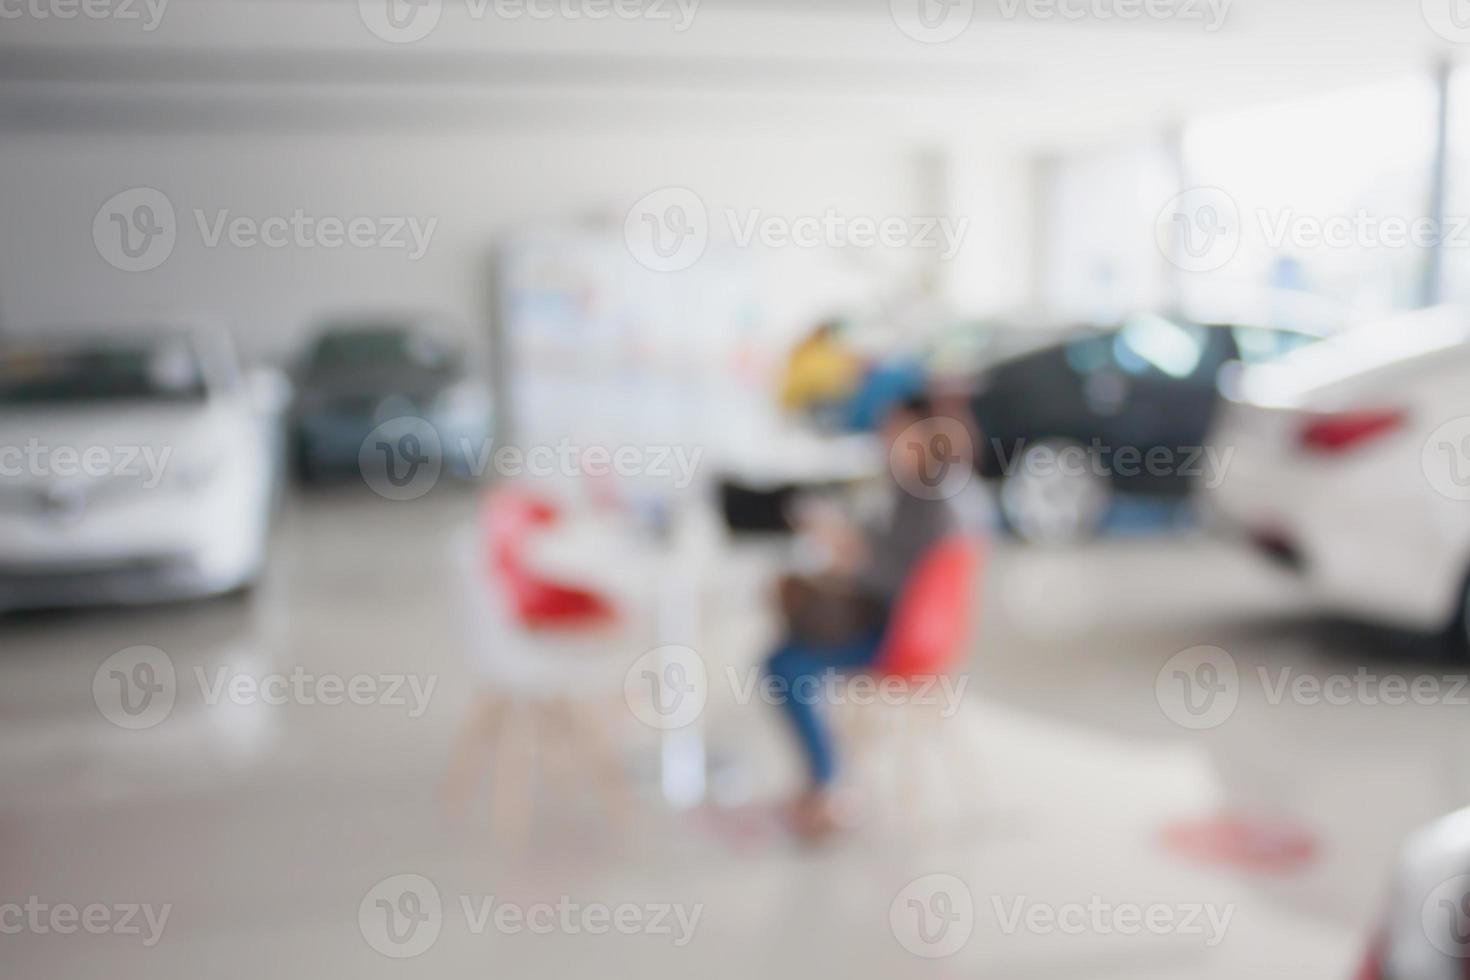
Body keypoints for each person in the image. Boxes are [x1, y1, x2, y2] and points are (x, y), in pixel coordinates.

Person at [764, 394, 965, 840]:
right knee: (785, 653)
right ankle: (826, 781)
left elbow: (908, 583)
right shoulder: (909, 490)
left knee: (785, 665)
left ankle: (828, 784)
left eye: (898, 430)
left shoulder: (932, 501)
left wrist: (852, 553)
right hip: (892, 624)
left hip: (901, 638)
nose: (888, 439)